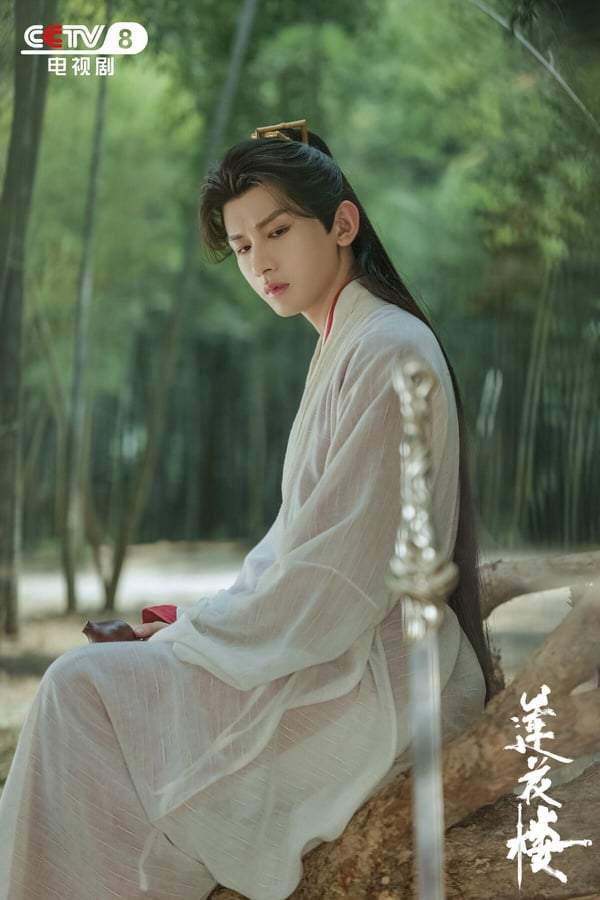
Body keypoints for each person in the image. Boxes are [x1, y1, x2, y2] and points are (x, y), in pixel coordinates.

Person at [0, 119, 498, 900]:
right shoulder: (347, 342)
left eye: (278, 231)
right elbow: (295, 549)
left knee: (81, 692)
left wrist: (195, 636)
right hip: (334, 650)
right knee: (91, 693)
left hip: (377, 680)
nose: (260, 262)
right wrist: (193, 624)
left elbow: (336, 578)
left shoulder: (386, 349)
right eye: (240, 246)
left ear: (342, 224)